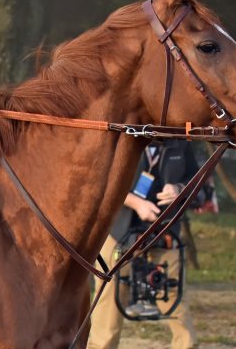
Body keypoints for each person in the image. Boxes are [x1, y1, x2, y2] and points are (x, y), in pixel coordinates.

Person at [87, 139, 206, 349]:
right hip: (119, 234)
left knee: (172, 295)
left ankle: (186, 345)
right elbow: (99, 182)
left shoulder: (180, 144)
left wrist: (180, 189)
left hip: (165, 234)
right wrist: (136, 203)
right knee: (109, 298)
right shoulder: (122, 138)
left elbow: (199, 186)